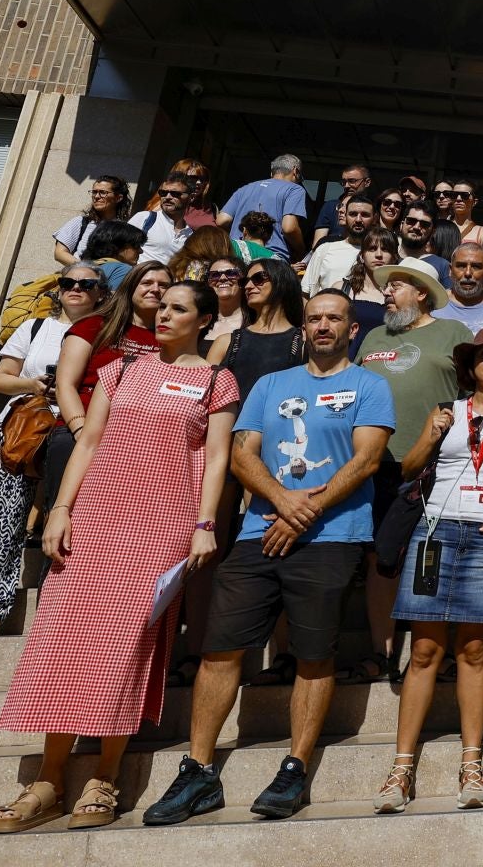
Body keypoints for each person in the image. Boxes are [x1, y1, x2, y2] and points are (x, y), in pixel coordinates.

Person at [0, 281, 237, 835]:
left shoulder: (217, 380)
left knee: (126, 647)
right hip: (95, 519)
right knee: (64, 640)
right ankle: (49, 779)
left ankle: (106, 773)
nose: (163, 313)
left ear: (203, 320)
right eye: (161, 305)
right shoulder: (122, 368)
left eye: (178, 308)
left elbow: (218, 457)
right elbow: (89, 440)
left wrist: (204, 524)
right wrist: (59, 510)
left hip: (161, 527)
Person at [143, 291, 392, 825]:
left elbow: (368, 458)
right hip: (258, 534)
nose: (324, 325)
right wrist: (282, 502)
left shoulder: (370, 386)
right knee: (219, 648)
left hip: (332, 538)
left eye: (335, 318)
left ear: (352, 330)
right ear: (304, 327)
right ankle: (198, 771)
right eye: (316, 317)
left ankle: (295, 768)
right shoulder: (270, 385)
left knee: (313, 654)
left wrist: (305, 512)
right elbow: (240, 452)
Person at [375, 325, 483, 813]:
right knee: (425, 649)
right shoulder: (447, 413)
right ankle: (401, 767)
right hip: (437, 533)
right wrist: (430, 436)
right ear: (470, 368)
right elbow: (408, 470)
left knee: (473, 650)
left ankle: (472, 764)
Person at [0, 263, 108, 638]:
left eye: (86, 284)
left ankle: (56, 606)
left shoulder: (106, 334)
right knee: (3, 515)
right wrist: (33, 383)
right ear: (59, 289)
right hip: (21, 429)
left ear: (100, 293)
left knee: (66, 516)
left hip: (77, 430)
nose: (75, 288)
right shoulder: (35, 327)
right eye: (68, 282)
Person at [353, 257, 471, 682]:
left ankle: (432, 654)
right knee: (379, 558)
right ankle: (382, 653)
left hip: (432, 463)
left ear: (422, 293)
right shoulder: (372, 337)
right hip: (372, 463)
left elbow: (473, 390)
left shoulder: (453, 333)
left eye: (397, 286)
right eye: (387, 287)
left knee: (429, 557)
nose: (387, 292)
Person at [38, 262, 169, 524]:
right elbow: (65, 384)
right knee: (66, 523)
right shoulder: (94, 325)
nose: (155, 289)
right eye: (147, 283)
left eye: (163, 285)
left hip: (134, 442)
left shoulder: (169, 339)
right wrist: (81, 431)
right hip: (79, 432)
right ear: (131, 286)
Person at [209, 259, 308, 412]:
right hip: (228, 430)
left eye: (258, 278)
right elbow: (204, 394)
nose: (248, 286)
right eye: (245, 281)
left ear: (282, 281)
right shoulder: (226, 342)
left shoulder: (303, 342)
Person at [216, 154, 308, 261]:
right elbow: (289, 228)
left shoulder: (245, 188)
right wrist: (301, 250)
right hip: (269, 258)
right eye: (300, 178)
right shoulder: (295, 189)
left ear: (271, 173)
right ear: (295, 171)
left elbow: (221, 220)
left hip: (235, 253)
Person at [337, 230, 398, 356]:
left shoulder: (398, 295)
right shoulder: (342, 289)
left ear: (394, 257)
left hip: (382, 365)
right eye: (372, 249)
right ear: (361, 256)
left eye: (385, 249)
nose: (379, 255)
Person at [302, 192, 375, 296]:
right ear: (345, 216)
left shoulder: (380, 255)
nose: (358, 219)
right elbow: (305, 292)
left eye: (365, 215)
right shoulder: (324, 249)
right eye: (353, 214)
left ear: (375, 219)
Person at [52, 175, 131, 267]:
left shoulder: (124, 230)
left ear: (118, 198)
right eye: (94, 192)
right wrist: (89, 269)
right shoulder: (81, 222)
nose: (97, 196)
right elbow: (59, 253)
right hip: (79, 278)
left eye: (103, 192)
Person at [130, 172, 195, 266]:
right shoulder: (144, 218)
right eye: (163, 193)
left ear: (191, 197)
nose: (167, 197)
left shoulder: (191, 235)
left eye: (175, 194)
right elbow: (121, 250)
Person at [310, 164, 371, 248]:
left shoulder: (374, 208)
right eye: (343, 182)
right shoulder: (331, 206)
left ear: (367, 182)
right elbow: (317, 244)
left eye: (352, 181)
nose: (346, 186)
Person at [396, 203, 452, 287]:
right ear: (401, 224)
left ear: (433, 232)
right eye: (411, 221)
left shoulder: (442, 266)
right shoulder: (384, 256)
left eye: (424, 224)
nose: (416, 227)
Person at [449, 177, 483, 247]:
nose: (458, 199)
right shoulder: (440, 227)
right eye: (454, 195)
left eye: (465, 195)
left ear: (474, 202)